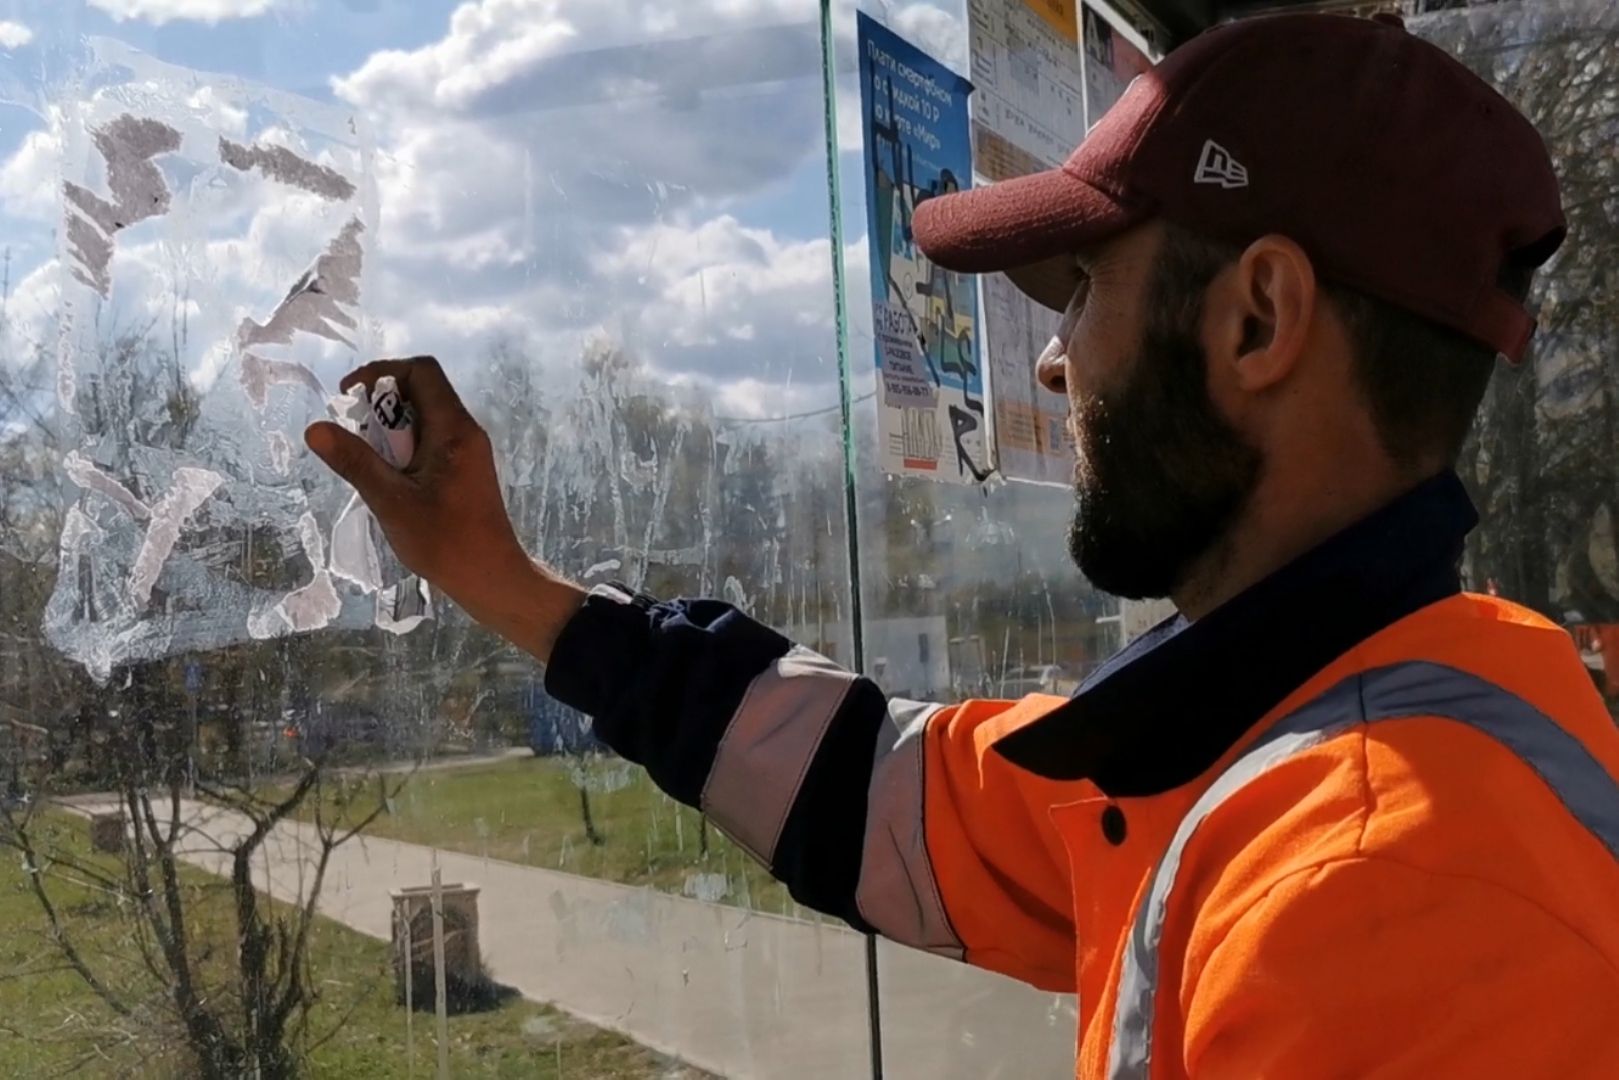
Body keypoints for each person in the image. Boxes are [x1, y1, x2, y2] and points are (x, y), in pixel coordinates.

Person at [307, 12, 1619, 1079]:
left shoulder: (1380, 898)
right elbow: (888, 793)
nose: (1052, 364)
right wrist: (512, 587)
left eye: (1088, 286)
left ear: (1257, 320)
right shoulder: (1353, 713)